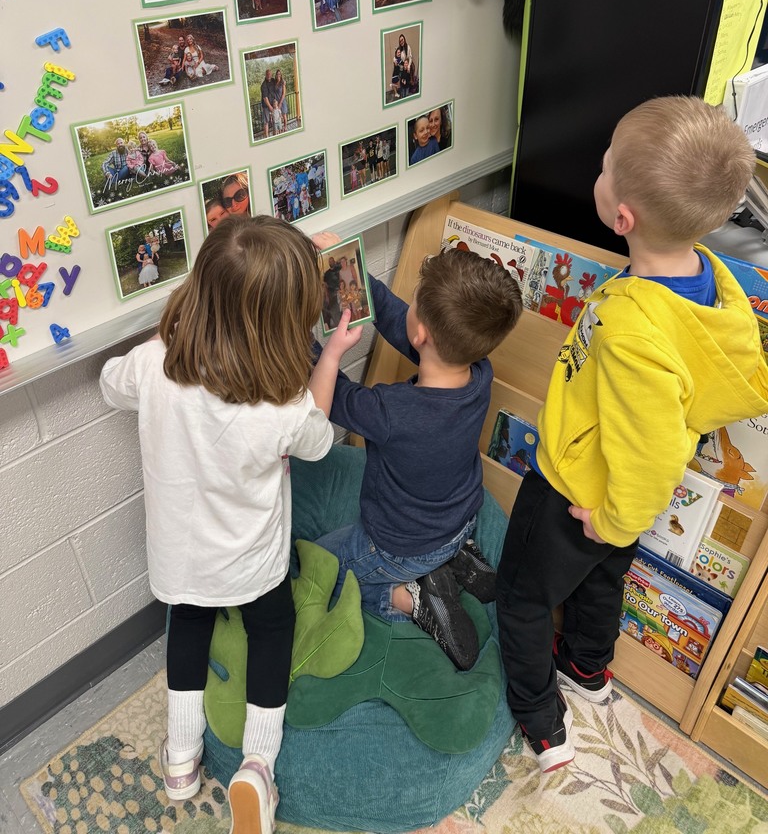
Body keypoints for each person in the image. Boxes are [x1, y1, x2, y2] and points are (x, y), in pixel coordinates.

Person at [494, 95, 768, 774]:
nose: (600, 167)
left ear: (623, 217)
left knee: (523, 598)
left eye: (606, 165)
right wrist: (618, 527)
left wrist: (610, 519)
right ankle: (588, 669)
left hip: (577, 492)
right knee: (600, 583)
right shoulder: (705, 277)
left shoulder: (633, 332)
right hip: (615, 505)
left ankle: (542, 723)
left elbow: (648, 449)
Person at [99, 215, 334, 833]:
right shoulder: (285, 406)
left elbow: (109, 384)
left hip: (179, 562)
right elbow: (321, 444)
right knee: (272, 631)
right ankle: (257, 764)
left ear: (197, 293)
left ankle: (180, 760)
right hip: (254, 566)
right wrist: (328, 356)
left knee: (188, 629)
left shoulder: (154, 364)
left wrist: (169, 336)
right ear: (287, 327)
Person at [309, 238, 523, 669]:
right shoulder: (479, 371)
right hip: (461, 519)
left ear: (421, 332)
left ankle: (410, 598)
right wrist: (345, 267)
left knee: (317, 567)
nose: (403, 309)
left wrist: (295, 340)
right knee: (439, 539)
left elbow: (334, 395)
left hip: (399, 547)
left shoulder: (390, 411)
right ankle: (455, 557)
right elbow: (396, 318)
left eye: (414, 305)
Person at [261, 68, 278, 139]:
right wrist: (270, 107)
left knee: (275, 120)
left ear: (271, 74)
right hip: (266, 106)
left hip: (273, 104)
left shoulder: (273, 80)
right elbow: (265, 98)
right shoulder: (263, 85)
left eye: (270, 74)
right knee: (266, 121)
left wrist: (284, 82)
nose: (269, 75)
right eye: (267, 74)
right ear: (266, 75)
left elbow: (279, 81)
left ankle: (275, 134)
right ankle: (267, 137)